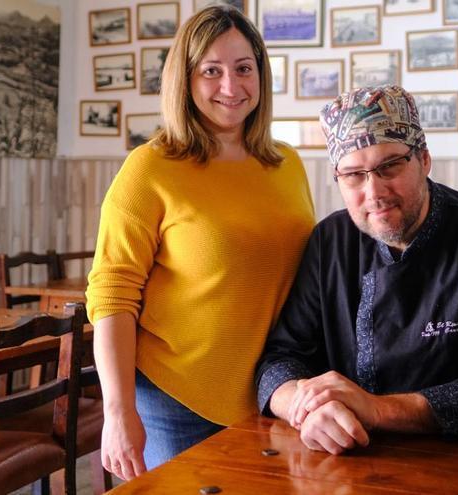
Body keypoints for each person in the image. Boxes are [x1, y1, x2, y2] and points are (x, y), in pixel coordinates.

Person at [255, 85, 458, 454]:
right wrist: (304, 407)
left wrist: (377, 410)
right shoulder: (328, 242)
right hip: (350, 460)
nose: (374, 191)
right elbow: (279, 359)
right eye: (353, 175)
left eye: (389, 166)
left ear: (424, 160)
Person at [86, 6, 315, 479]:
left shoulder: (286, 164)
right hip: (176, 399)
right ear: (184, 80)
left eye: (243, 68)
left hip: (275, 393)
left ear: (261, 75)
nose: (230, 87)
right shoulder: (150, 168)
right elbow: (111, 296)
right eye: (211, 71)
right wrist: (117, 411)